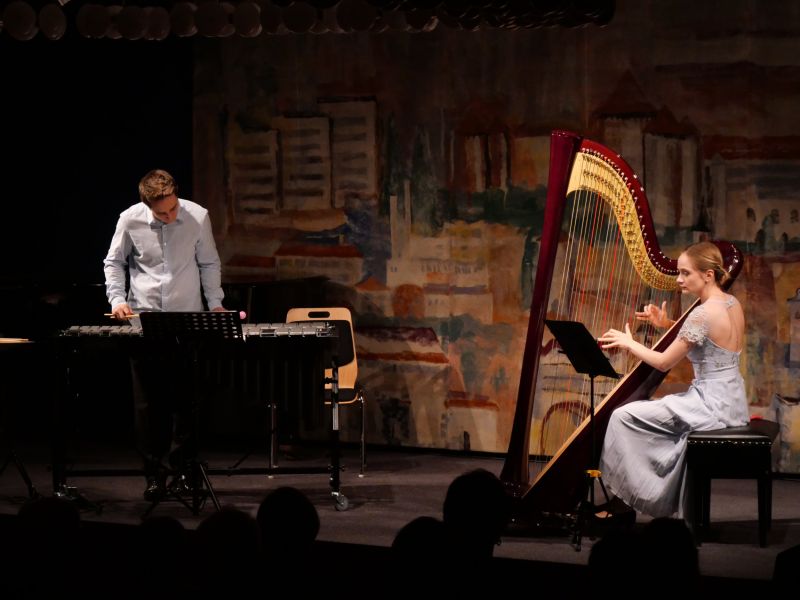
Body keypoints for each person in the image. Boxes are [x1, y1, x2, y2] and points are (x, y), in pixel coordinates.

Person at [597, 241, 748, 519]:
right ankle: (629, 499)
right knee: (647, 412)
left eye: (685, 273)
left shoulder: (701, 314)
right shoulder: (731, 303)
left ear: (708, 275)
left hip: (710, 405)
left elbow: (664, 361)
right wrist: (666, 325)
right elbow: (710, 339)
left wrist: (629, 343)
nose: (678, 279)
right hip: (733, 401)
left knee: (622, 416)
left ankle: (627, 501)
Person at [103, 169, 225, 500]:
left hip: (186, 319)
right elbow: (113, 262)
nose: (170, 216)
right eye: (162, 213)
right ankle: (154, 475)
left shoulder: (197, 216)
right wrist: (117, 299)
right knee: (148, 404)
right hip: (144, 320)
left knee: (186, 402)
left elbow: (209, 263)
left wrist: (215, 303)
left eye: (173, 209)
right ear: (147, 205)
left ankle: (185, 473)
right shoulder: (129, 219)